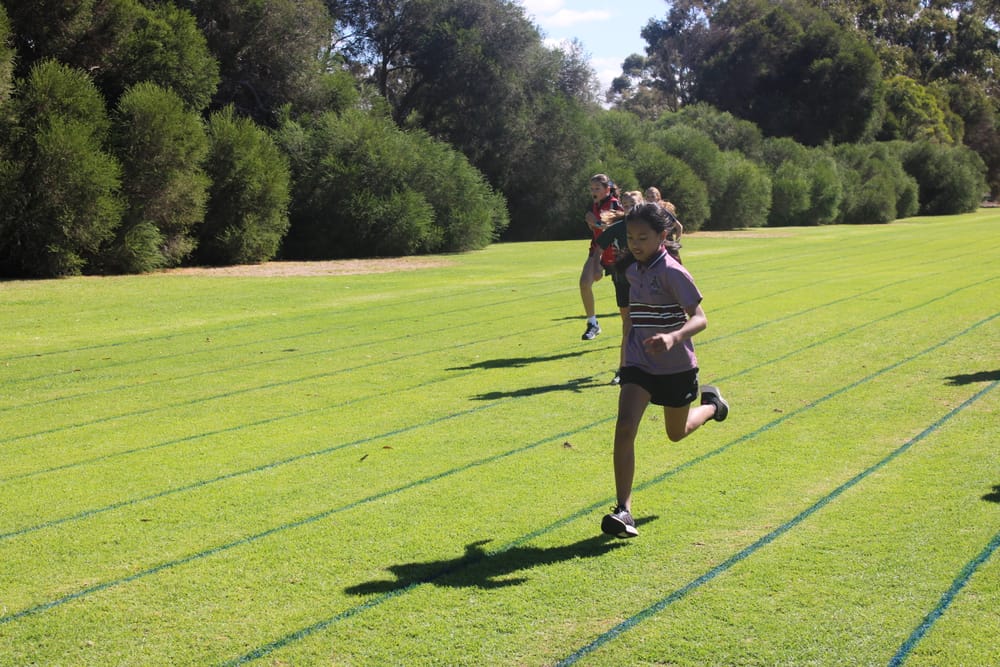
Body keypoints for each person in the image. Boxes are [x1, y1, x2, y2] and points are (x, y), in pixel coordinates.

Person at [601, 203, 730, 539]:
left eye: (643, 237)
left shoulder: (674, 272)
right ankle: (624, 511)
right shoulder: (631, 269)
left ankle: (714, 406)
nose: (635, 244)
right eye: (630, 237)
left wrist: (673, 337)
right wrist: (625, 358)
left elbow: (700, 318)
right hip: (639, 363)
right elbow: (631, 319)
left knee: (677, 432)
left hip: (676, 367)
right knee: (625, 426)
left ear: (661, 236)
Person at [594, 190, 643, 385]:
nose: (630, 208)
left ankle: (637, 368)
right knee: (628, 327)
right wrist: (597, 265)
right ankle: (624, 369)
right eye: (626, 204)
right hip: (622, 281)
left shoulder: (649, 226)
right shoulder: (617, 228)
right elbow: (598, 248)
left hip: (644, 281)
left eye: (633, 204)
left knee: (643, 324)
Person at [579, 174, 622, 340]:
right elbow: (597, 231)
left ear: (607, 189)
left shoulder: (615, 205)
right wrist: (593, 224)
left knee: (627, 297)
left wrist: (594, 222)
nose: (593, 192)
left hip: (616, 253)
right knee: (584, 283)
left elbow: (614, 229)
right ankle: (592, 324)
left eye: (597, 188)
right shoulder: (596, 204)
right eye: (591, 189)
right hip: (597, 250)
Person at [643, 186, 684, 263]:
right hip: (653, 249)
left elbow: (679, 227)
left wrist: (676, 244)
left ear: (658, 198)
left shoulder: (663, 212)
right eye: (647, 197)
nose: (650, 199)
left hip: (668, 247)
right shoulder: (644, 213)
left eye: (652, 196)